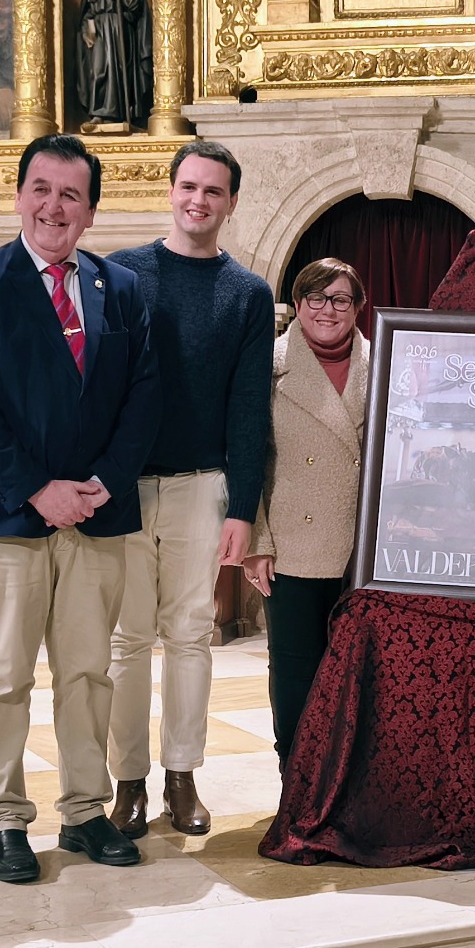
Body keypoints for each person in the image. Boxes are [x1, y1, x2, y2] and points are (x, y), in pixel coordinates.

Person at [0, 134, 161, 884]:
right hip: (6, 513)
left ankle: (85, 811)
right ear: (19, 196)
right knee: (4, 675)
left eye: (71, 194)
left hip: (98, 512)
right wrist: (38, 488)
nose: (54, 207)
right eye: (41, 189)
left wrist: (104, 480)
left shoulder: (120, 287)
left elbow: (144, 396)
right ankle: (4, 820)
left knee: (89, 672)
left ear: (91, 211)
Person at [105, 140, 274, 837]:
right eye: (188, 186)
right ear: (170, 190)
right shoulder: (122, 273)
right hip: (123, 486)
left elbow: (248, 407)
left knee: (190, 636)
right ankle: (127, 783)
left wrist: (243, 509)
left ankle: (182, 777)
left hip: (201, 485)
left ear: (231, 203)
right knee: (125, 641)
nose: (198, 200)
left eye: (213, 191)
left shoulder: (248, 293)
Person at [242, 259, 370, 767]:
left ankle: (348, 783)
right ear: (297, 305)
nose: (327, 310)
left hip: (363, 551)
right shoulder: (266, 364)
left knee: (359, 672)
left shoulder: (386, 364)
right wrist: (256, 542)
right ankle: (295, 778)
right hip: (291, 545)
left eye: (340, 299)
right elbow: (246, 458)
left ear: (358, 308)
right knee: (295, 671)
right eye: (315, 298)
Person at [76, 0, 153, 131]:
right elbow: (87, 14)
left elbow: (138, 9)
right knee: (97, 70)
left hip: (119, 30)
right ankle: (98, 113)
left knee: (117, 70)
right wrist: (88, 32)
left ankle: (118, 113)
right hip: (99, 33)